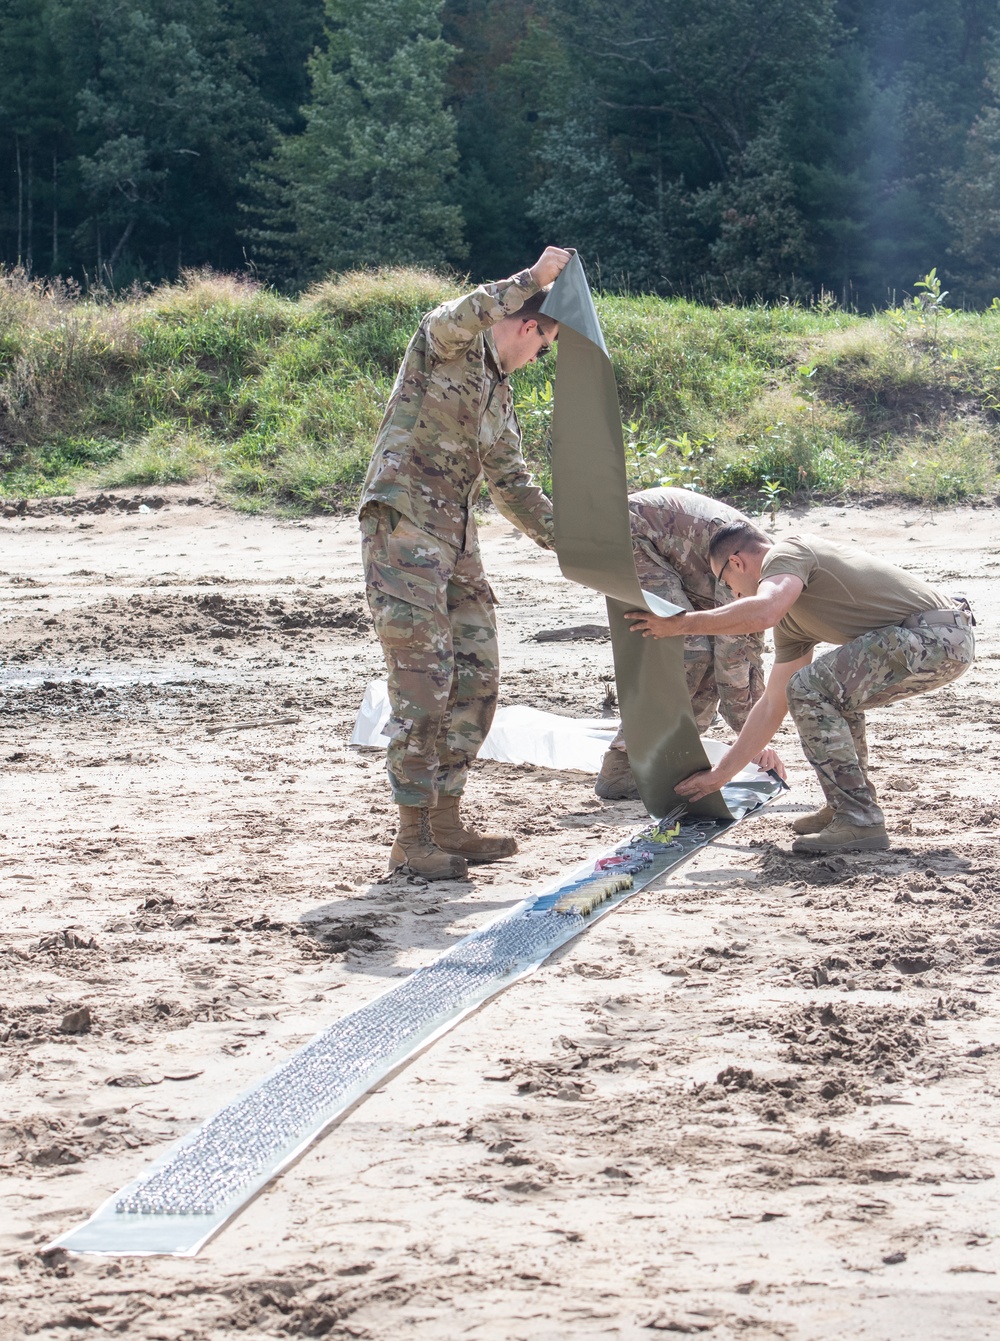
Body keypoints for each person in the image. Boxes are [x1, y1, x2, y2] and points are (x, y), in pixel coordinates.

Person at [360, 247, 572, 880]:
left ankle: (446, 820)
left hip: (455, 543)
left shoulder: (498, 397)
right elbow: (458, 313)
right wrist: (532, 280)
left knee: (477, 679)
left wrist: (578, 544)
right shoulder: (448, 343)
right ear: (530, 325)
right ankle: (412, 836)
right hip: (404, 533)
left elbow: (513, 485)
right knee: (422, 686)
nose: (538, 360)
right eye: (544, 347)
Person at [624, 520, 975, 853]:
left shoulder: (787, 553)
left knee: (808, 687)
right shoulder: (792, 622)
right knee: (823, 694)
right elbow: (773, 704)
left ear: (737, 562)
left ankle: (859, 819)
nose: (731, 592)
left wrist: (682, 624)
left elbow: (763, 611)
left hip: (934, 635)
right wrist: (720, 776)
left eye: (726, 581)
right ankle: (847, 807)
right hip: (936, 644)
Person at [595, 487, 778, 800]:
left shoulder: (765, 576)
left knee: (707, 658)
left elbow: (750, 654)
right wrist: (752, 738)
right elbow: (730, 658)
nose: (736, 597)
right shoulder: (744, 572)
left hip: (674, 551)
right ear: (735, 565)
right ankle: (622, 765)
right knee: (687, 651)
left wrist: (756, 736)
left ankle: (671, 757)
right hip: (628, 533)